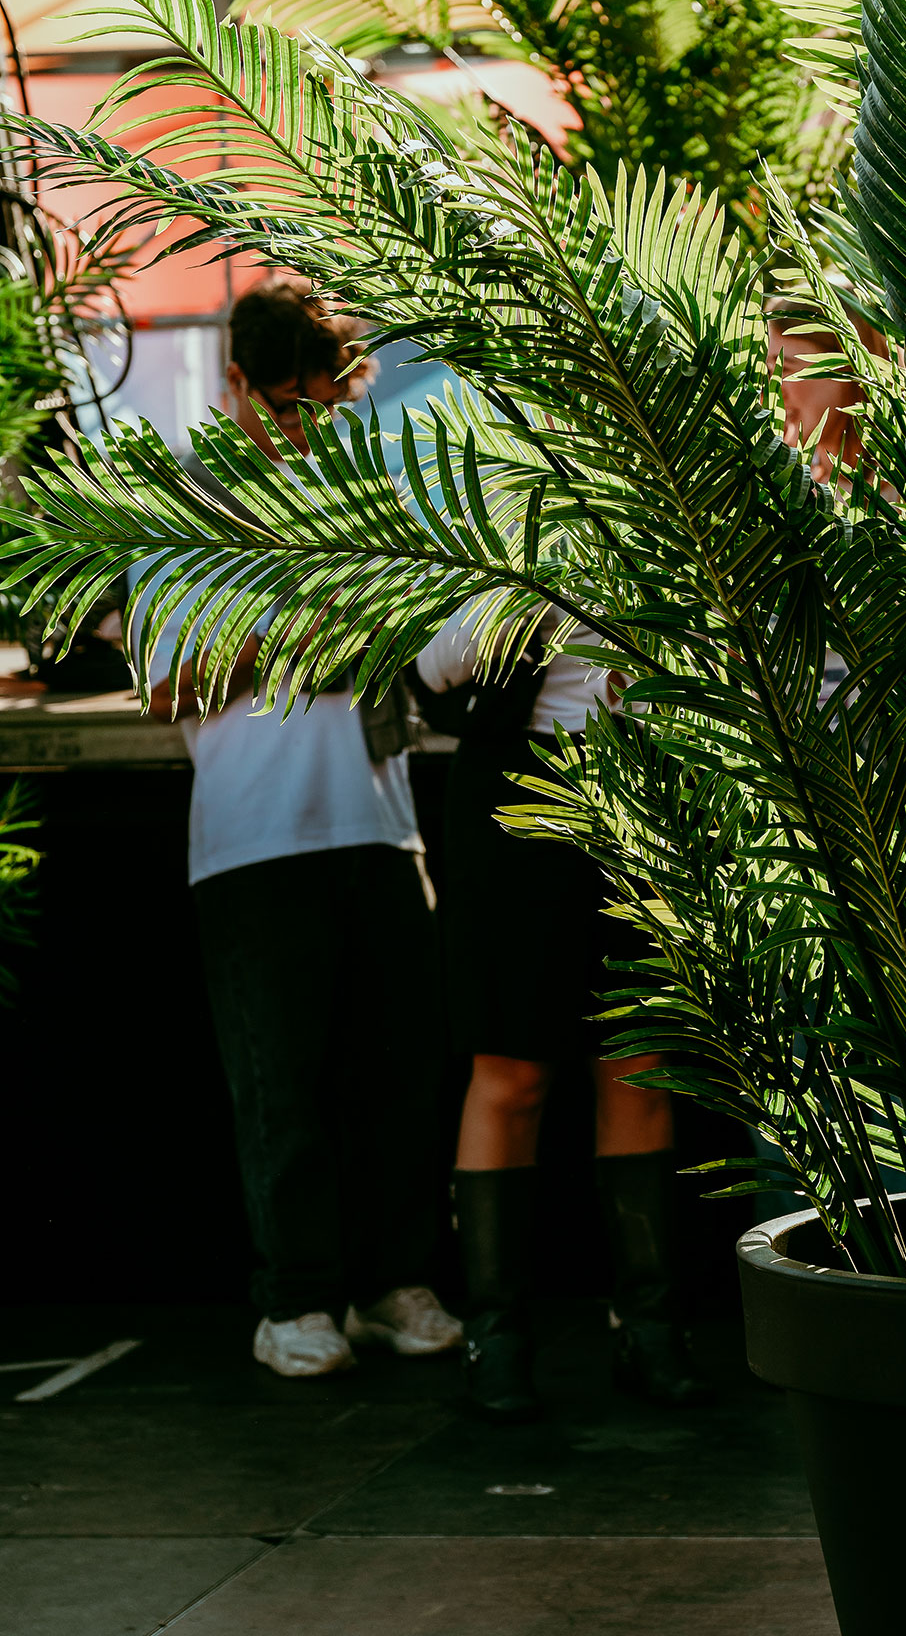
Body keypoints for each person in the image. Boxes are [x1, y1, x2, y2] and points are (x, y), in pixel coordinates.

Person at [143, 280, 460, 1379]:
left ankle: (392, 1285)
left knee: (399, 1077)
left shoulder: (367, 499)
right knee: (282, 1084)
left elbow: (415, 642)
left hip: (380, 821)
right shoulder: (182, 512)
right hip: (254, 835)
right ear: (235, 382)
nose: (303, 430)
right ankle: (295, 1300)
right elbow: (165, 687)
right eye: (285, 406)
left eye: (324, 407)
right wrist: (294, 639)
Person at [411, 608, 714, 1422]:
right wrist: (534, 588)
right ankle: (496, 1335)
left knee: (639, 1064)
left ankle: (651, 1329)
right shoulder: (495, 533)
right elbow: (433, 670)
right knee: (512, 1072)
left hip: (646, 786)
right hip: (515, 790)